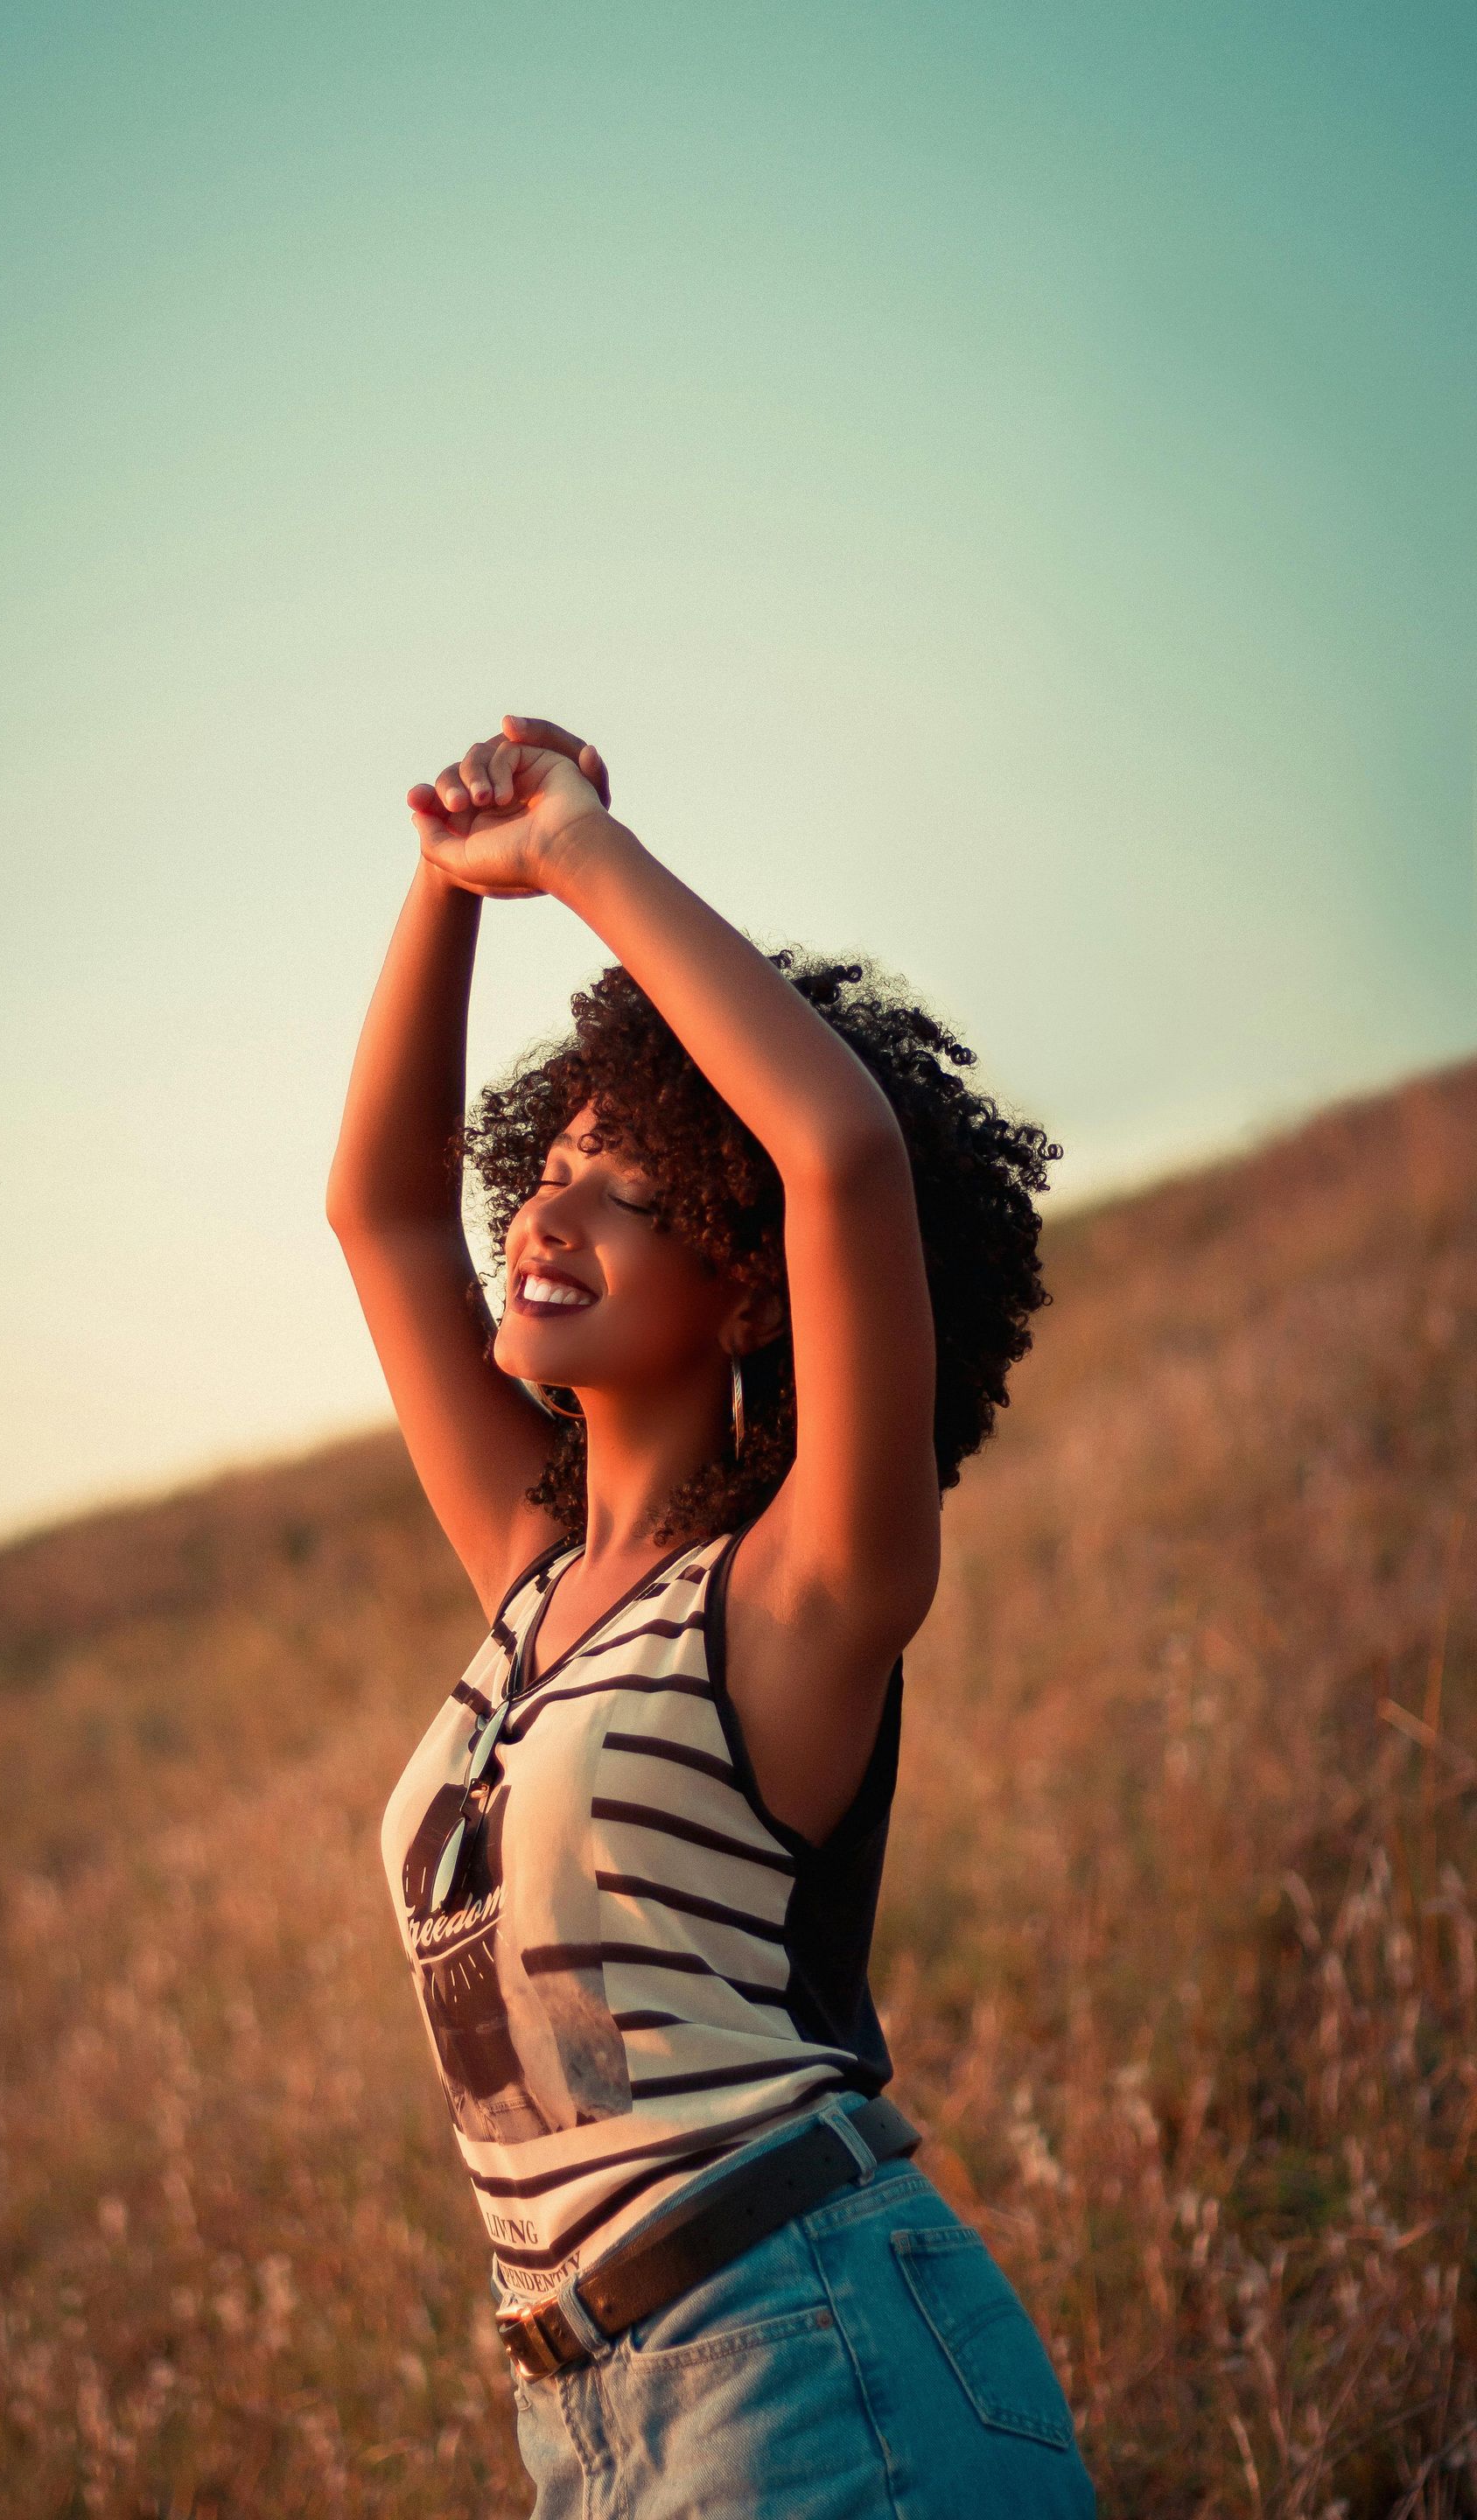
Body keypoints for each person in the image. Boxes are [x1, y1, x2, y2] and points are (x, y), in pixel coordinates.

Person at [326, 715, 1095, 2516]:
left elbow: (838, 1148)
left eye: (632, 1190)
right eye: (549, 1166)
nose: (547, 1211)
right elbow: (377, 1217)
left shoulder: (801, 1593)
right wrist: (446, 884)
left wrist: (581, 852)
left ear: (747, 1285)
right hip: (582, 2417)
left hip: (815, 2362)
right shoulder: (535, 1574)